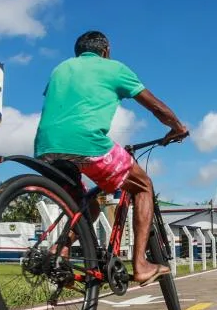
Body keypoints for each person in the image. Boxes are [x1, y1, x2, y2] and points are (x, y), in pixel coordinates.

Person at [34, 30, 188, 286]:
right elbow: (156, 107)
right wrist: (178, 128)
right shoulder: (114, 68)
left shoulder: (60, 69)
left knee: (89, 206)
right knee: (143, 186)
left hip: (46, 148)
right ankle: (140, 264)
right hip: (89, 144)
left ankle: (59, 251)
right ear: (105, 51)